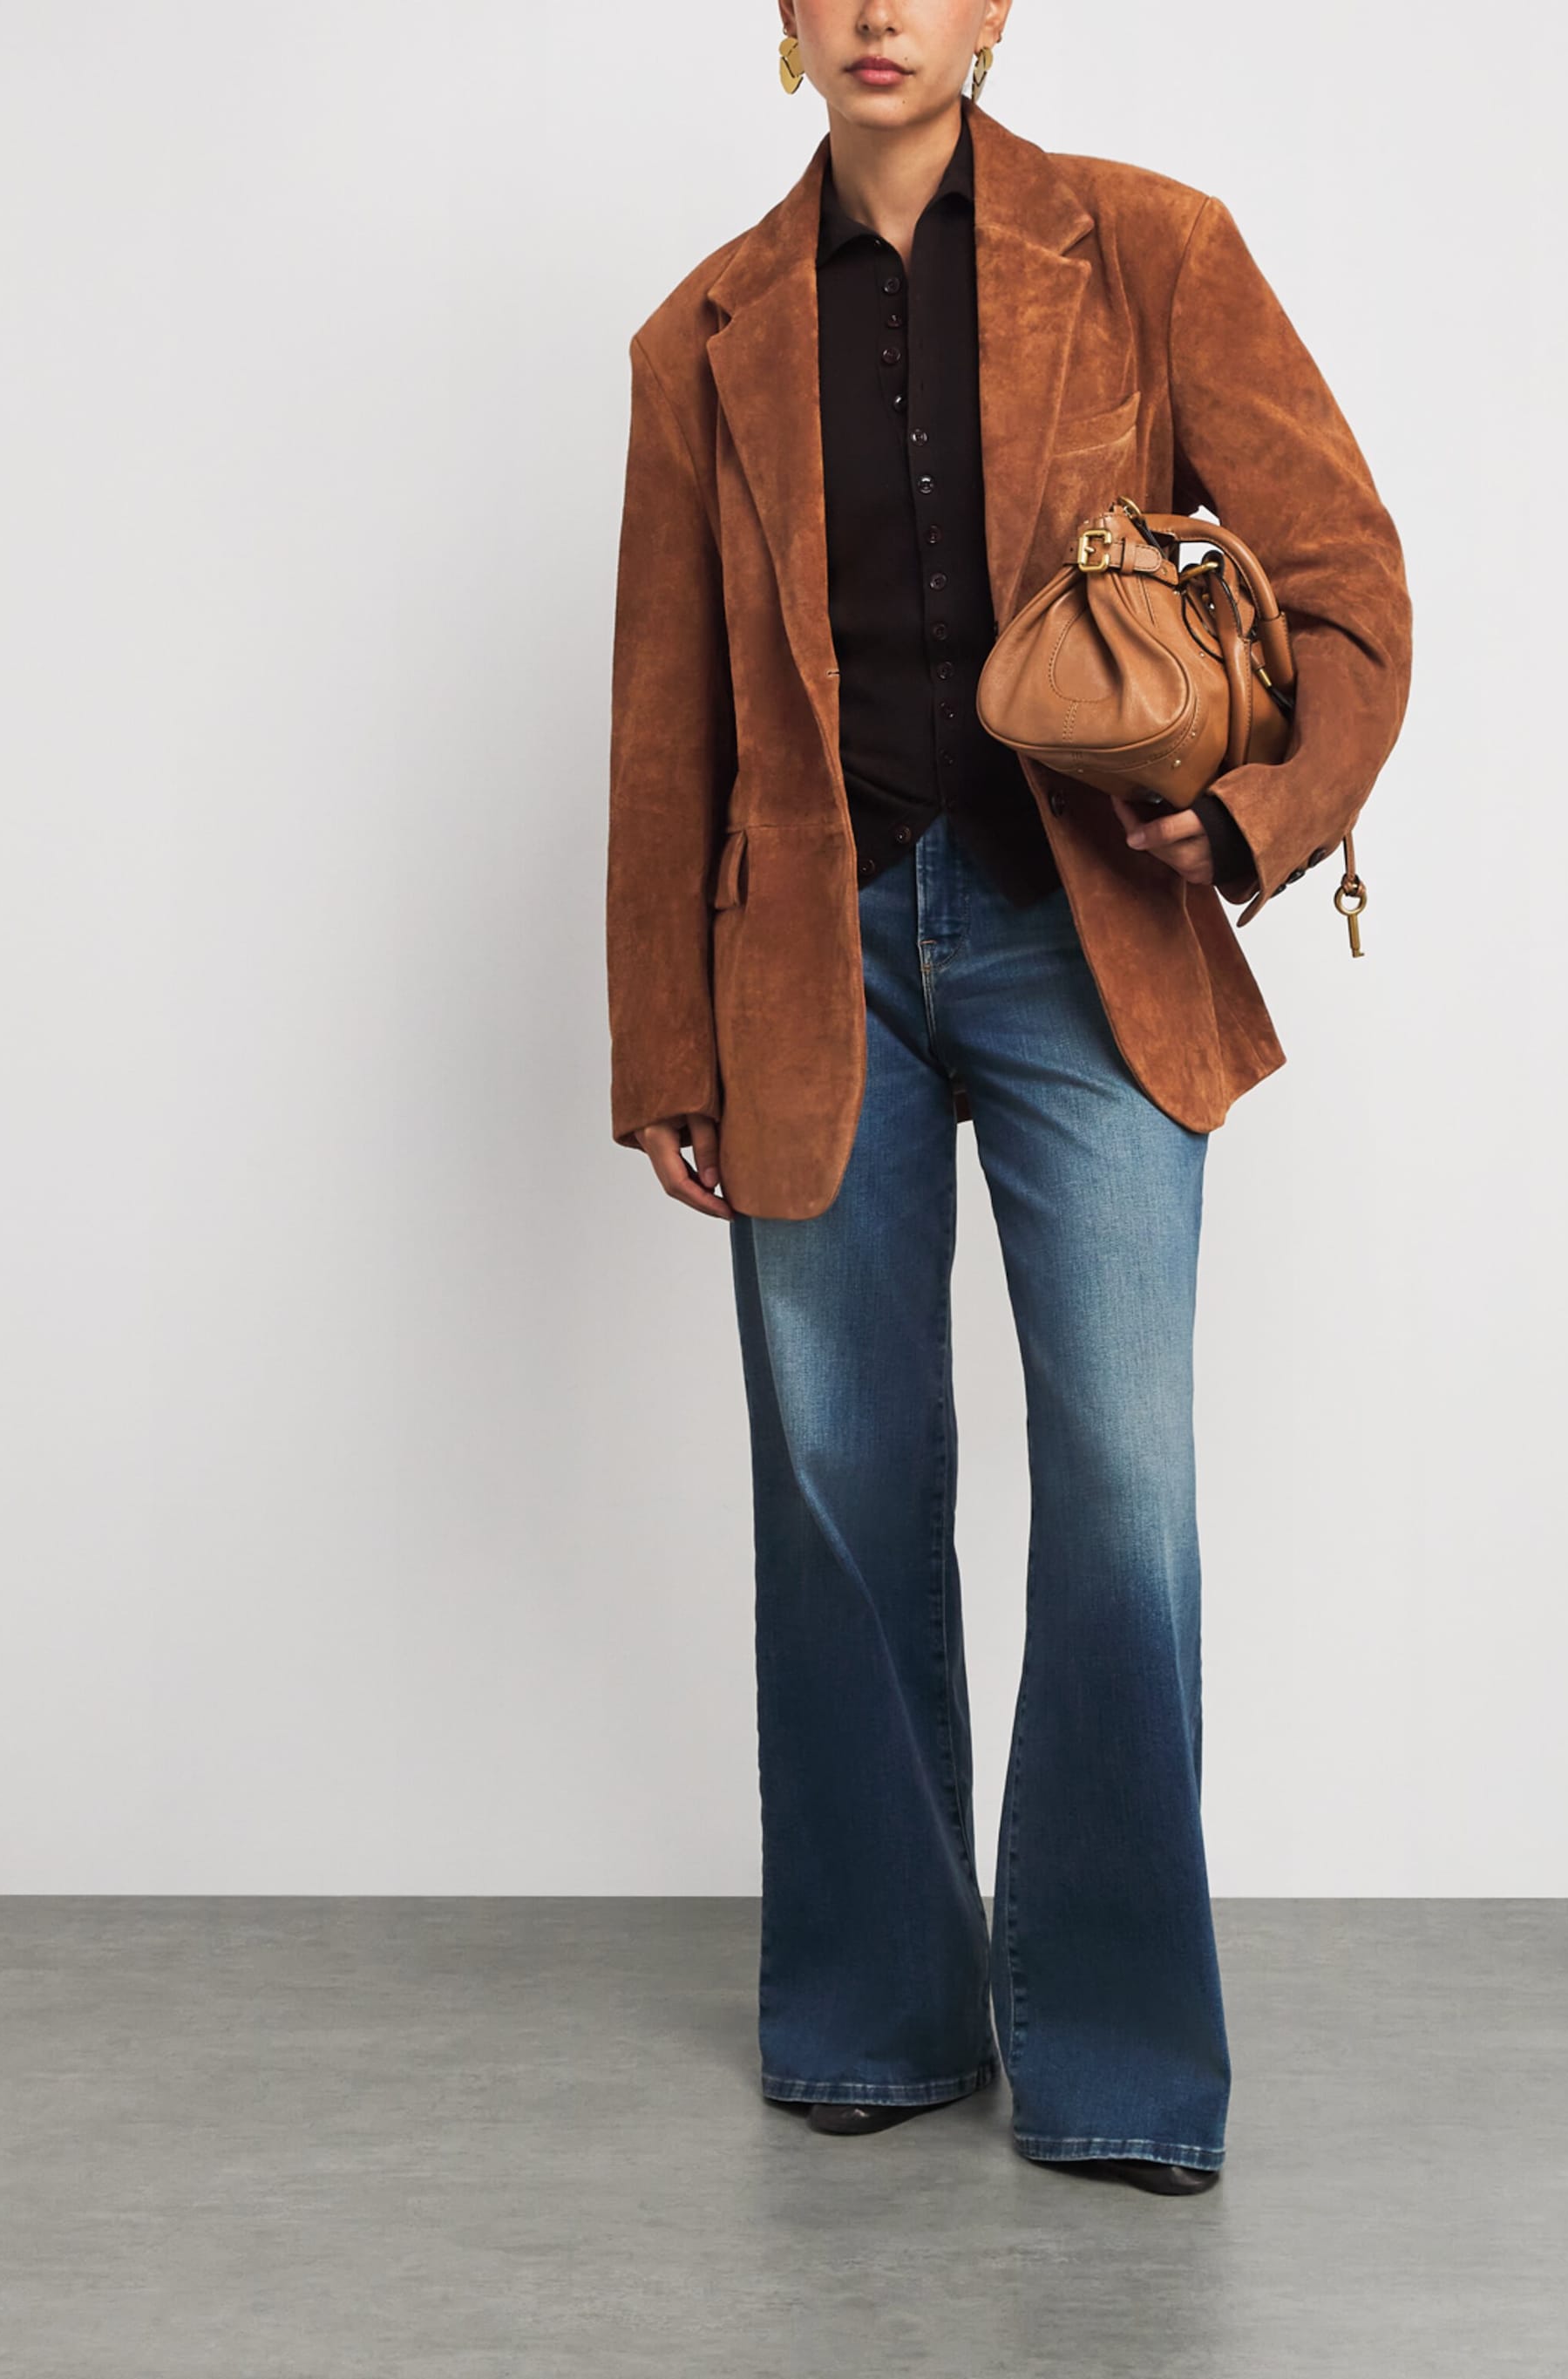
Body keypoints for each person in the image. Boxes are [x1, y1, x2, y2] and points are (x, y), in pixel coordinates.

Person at [606, 0, 1410, 2196]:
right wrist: (662, 1038)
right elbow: (666, 716)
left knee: (1124, 1491)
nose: (880, 11)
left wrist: (1255, 818)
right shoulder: (701, 337)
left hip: (1090, 938)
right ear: (786, 23)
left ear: (993, 13)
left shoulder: (1150, 249)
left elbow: (1348, 586)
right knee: (842, 1497)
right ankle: (875, 2019)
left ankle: (1121, 2062)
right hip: (815, 958)